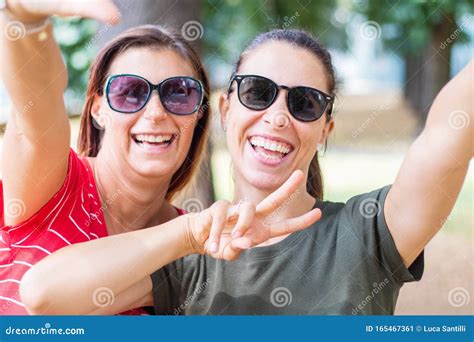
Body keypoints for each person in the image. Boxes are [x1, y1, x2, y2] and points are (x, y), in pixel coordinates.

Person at [20, 28, 472, 315]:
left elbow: (449, 131)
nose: (277, 117)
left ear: (325, 128)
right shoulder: (186, 252)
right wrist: (190, 236)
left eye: (304, 103)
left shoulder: (370, 229)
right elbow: (43, 295)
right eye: (258, 92)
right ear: (224, 108)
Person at [0, 0, 212, 314]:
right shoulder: (55, 183)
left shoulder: (201, 243)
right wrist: (24, 21)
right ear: (98, 109)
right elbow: (38, 108)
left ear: (199, 114)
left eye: (179, 92)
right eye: (130, 91)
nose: (155, 113)